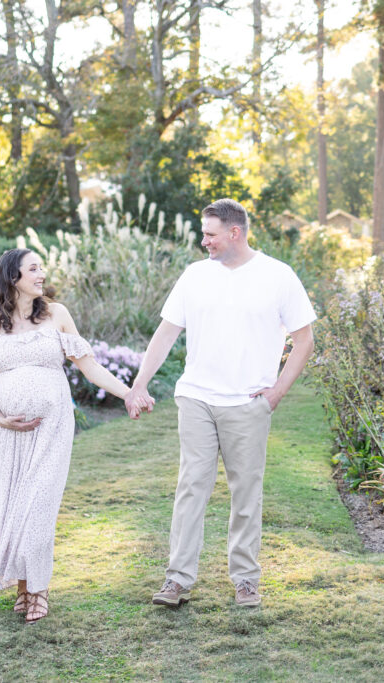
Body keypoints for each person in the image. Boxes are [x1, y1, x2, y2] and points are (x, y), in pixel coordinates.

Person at [125, 198, 316, 608]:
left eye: (210, 234)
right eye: (203, 233)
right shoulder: (195, 275)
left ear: (235, 232)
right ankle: (177, 579)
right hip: (196, 397)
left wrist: (276, 392)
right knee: (191, 487)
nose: (203, 241)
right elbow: (165, 332)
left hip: (247, 403)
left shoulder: (277, 276)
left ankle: (246, 579)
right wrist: (138, 384)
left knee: (245, 492)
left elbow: (305, 339)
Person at [0, 248, 153, 624]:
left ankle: (39, 590)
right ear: (12, 277)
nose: (42, 274)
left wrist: (128, 392)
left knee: (39, 506)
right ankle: (23, 585)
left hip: (52, 427)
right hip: (8, 433)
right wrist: (0, 419)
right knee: (11, 508)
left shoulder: (56, 314)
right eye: (34, 268)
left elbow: (90, 367)